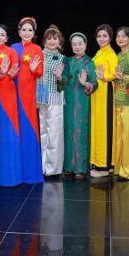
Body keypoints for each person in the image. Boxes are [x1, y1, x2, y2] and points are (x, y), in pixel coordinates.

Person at [57, 32, 98, 178]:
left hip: (82, 102)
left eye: (80, 43)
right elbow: (63, 83)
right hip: (68, 102)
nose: (77, 46)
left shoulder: (90, 62)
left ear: (85, 44)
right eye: (74, 44)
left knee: (80, 132)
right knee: (68, 131)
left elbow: (94, 83)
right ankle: (68, 166)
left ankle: (80, 168)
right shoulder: (68, 61)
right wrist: (59, 77)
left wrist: (85, 83)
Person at [0, 23, 23, 187]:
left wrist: (11, 73)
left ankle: (11, 176)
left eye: (2, 35)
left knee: (8, 133)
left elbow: (14, 71)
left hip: (8, 93)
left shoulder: (12, 52)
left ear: (7, 38)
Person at [12, 17, 44, 183]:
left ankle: (30, 173)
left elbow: (40, 72)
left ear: (34, 32)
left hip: (29, 95)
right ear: (19, 31)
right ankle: (15, 172)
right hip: (12, 93)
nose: (26, 33)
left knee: (28, 129)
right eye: (24, 29)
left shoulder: (37, 49)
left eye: (30, 30)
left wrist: (33, 69)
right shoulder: (13, 48)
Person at [36, 25, 66, 177]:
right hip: (41, 97)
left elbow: (65, 82)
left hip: (55, 98)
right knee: (43, 132)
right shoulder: (38, 55)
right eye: (49, 38)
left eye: (55, 38)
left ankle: (53, 169)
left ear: (59, 41)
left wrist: (59, 77)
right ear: (44, 41)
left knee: (54, 133)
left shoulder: (62, 59)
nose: (52, 41)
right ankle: (42, 167)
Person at [112, 26, 129, 180]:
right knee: (120, 132)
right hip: (120, 93)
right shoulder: (118, 55)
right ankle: (120, 167)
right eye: (118, 36)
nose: (120, 39)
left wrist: (123, 78)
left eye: (124, 36)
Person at [90, 24, 118, 178]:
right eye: (99, 36)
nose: (101, 38)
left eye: (105, 36)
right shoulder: (100, 52)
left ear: (110, 38)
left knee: (105, 128)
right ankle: (104, 163)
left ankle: (104, 167)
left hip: (106, 93)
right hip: (97, 94)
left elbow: (115, 73)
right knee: (100, 128)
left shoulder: (110, 54)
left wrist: (104, 77)